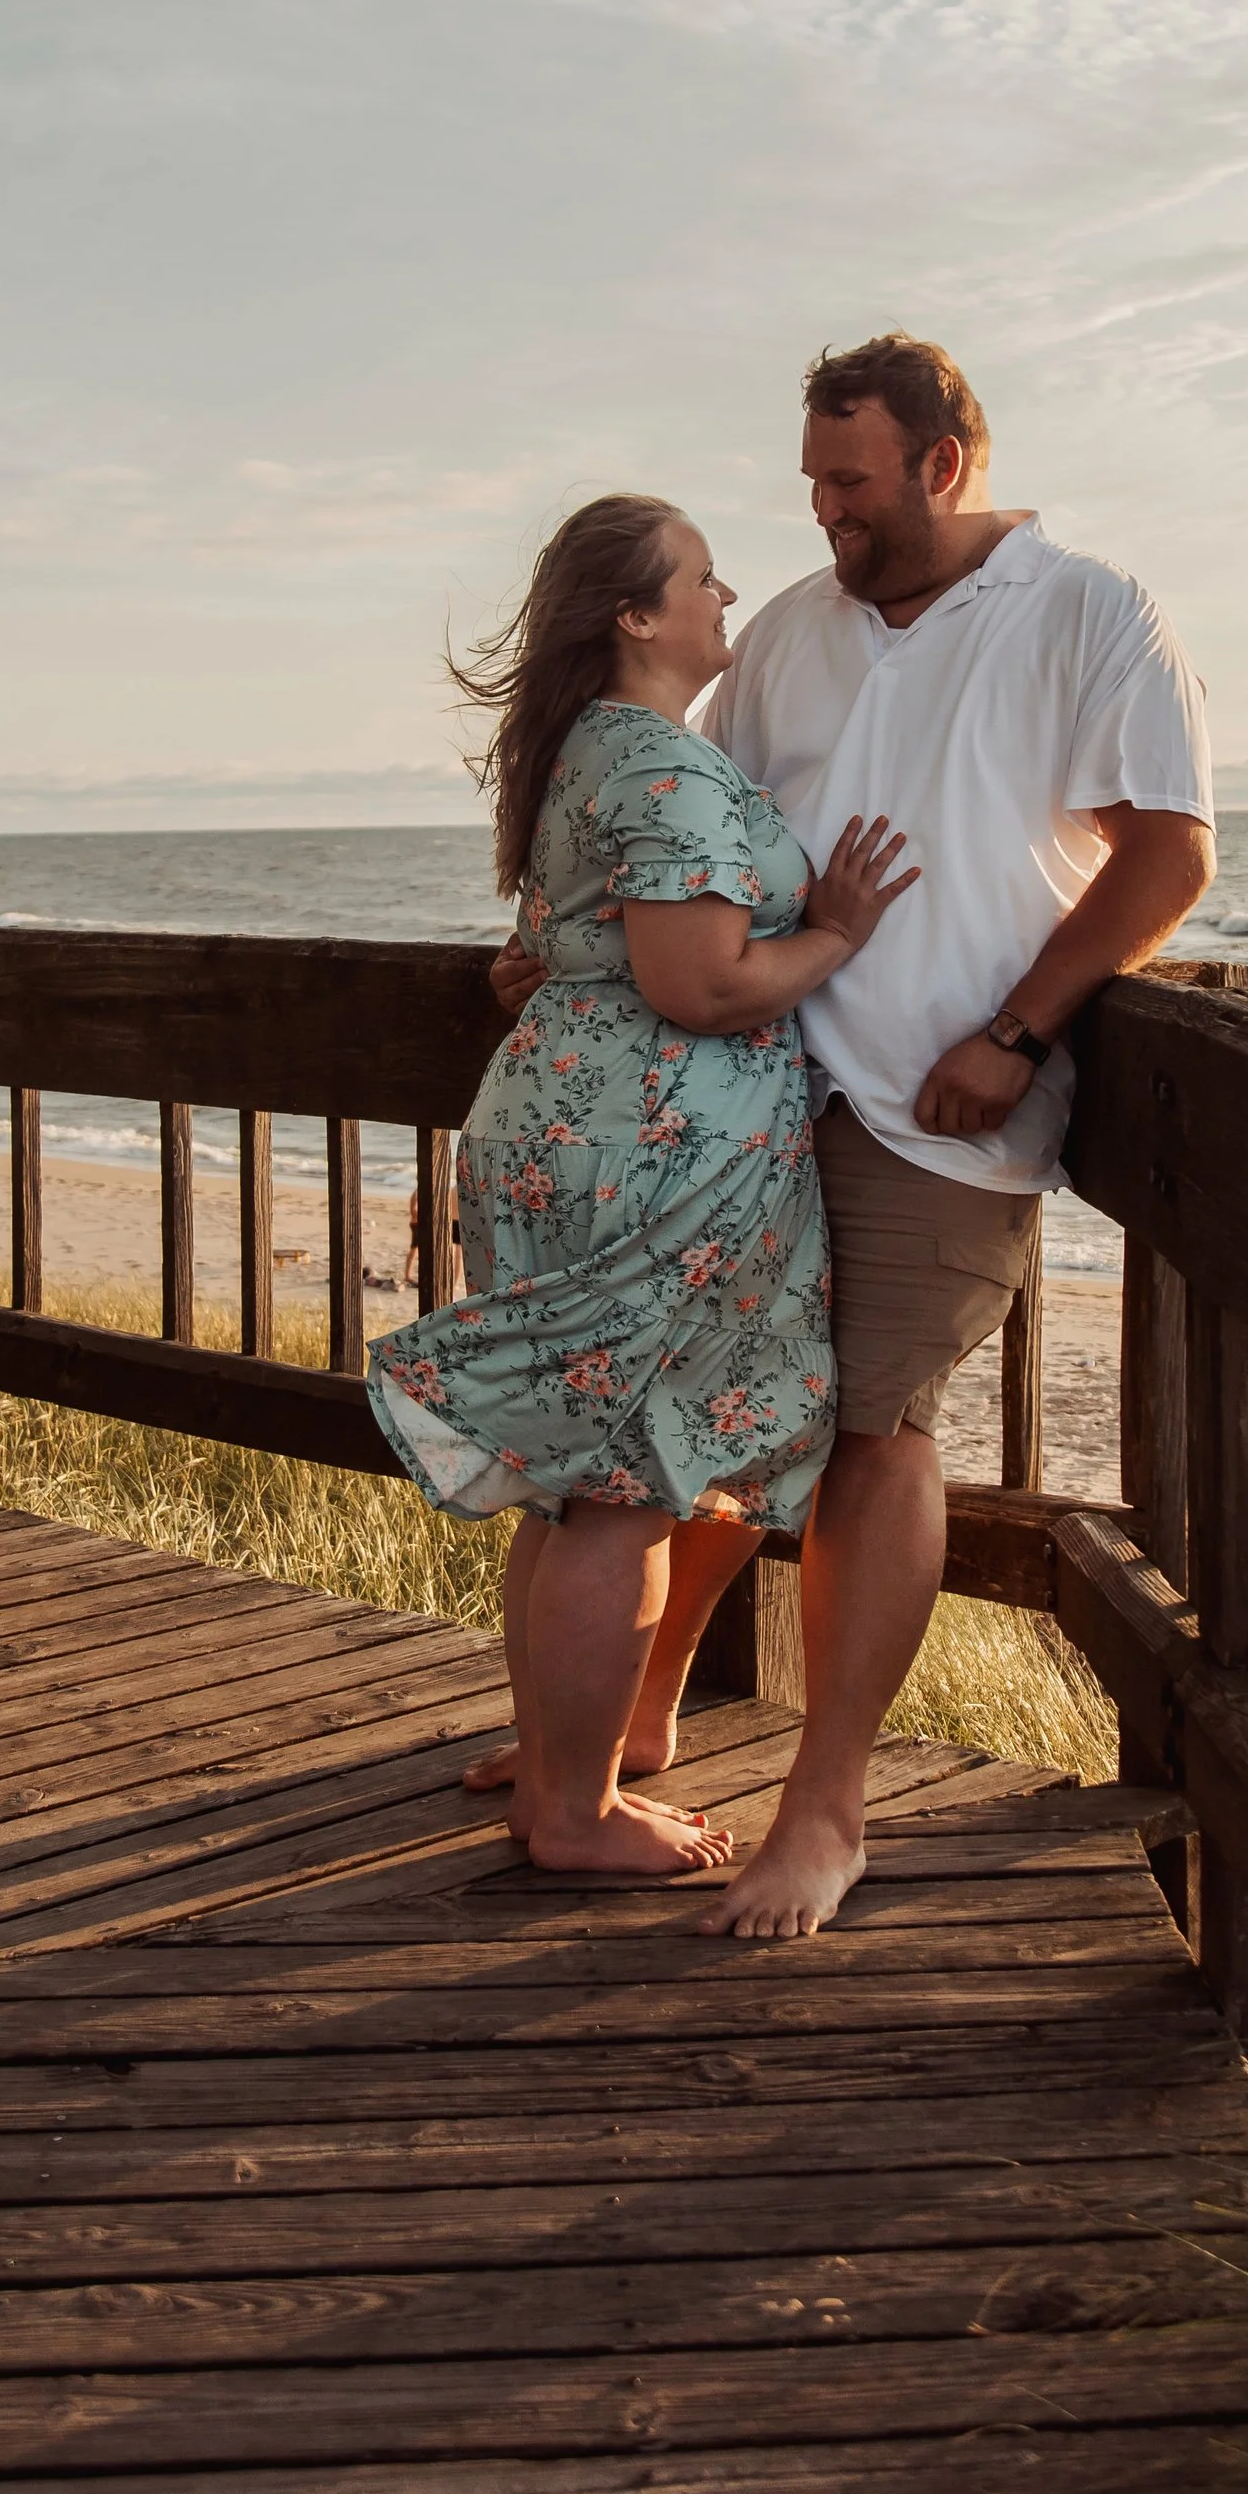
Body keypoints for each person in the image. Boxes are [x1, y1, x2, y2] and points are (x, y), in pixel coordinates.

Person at [493, 337, 1215, 1934]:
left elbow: (1167, 860)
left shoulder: (1088, 609)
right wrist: (573, 944)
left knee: (873, 1433)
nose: (820, 515)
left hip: (935, 1109)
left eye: (850, 483)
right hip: (738, 1101)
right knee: (692, 1417)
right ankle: (620, 1721)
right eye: (812, 481)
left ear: (943, 464)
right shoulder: (798, 639)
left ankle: (827, 1811)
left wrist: (1018, 1032)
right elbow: (686, 824)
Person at [365, 491, 916, 1879]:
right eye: (705, 580)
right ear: (636, 614)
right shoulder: (661, 767)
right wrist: (840, 929)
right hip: (652, 1160)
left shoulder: (588, 754)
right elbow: (705, 983)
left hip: (573, 1132)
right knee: (616, 1487)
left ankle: (568, 1759)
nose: (728, 600)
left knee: (577, 1479)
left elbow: (580, 951)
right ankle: (570, 1811)